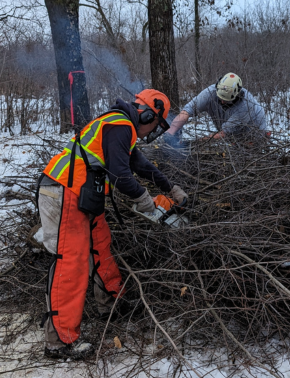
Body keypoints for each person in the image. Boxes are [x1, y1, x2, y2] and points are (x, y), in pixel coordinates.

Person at [37, 89, 187, 360]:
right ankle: (59, 341)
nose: (153, 131)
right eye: (156, 124)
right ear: (148, 114)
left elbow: (141, 165)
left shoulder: (120, 126)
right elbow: (120, 175)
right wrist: (144, 200)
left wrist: (171, 188)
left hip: (83, 195)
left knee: (101, 246)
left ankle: (112, 303)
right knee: (72, 261)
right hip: (65, 192)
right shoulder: (120, 125)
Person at [165, 73, 267, 142]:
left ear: (237, 95)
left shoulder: (245, 106)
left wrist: (197, 142)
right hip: (228, 129)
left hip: (252, 131)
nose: (222, 102)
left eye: (226, 100)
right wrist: (170, 133)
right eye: (220, 98)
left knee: (245, 156)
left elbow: (224, 133)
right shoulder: (210, 93)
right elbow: (187, 111)